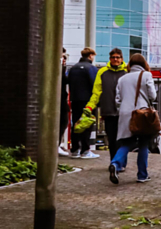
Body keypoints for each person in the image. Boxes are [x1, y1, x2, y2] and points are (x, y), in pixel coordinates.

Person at [109, 54, 156, 184]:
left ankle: (115, 164)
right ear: (143, 63)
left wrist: (124, 109)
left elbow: (117, 100)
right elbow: (153, 95)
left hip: (125, 113)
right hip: (142, 114)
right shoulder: (146, 75)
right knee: (143, 144)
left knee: (127, 143)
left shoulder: (122, 78)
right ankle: (142, 175)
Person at [85, 48, 128, 159]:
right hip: (108, 111)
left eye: (117, 57)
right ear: (109, 59)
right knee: (111, 139)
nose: (115, 59)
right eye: (113, 57)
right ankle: (114, 161)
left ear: (122, 59)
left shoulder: (127, 71)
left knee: (122, 139)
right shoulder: (102, 72)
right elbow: (96, 92)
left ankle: (120, 162)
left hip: (124, 112)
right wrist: (89, 106)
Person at [67, 47, 98, 158]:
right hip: (88, 102)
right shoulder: (92, 68)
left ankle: (74, 149)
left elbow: (68, 81)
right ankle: (85, 150)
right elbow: (96, 85)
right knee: (87, 124)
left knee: (76, 123)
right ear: (90, 56)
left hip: (75, 100)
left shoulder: (72, 68)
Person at [59, 49, 71, 156]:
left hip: (62, 98)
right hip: (60, 99)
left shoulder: (62, 69)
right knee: (62, 121)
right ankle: (57, 144)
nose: (64, 59)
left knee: (64, 121)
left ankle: (58, 143)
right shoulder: (58, 69)